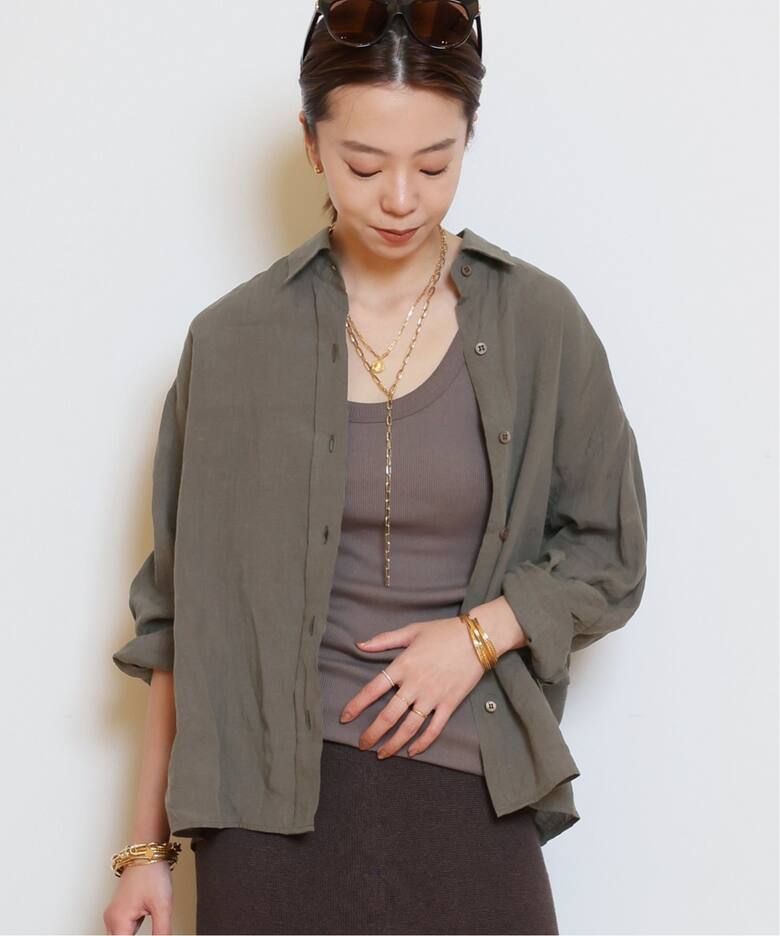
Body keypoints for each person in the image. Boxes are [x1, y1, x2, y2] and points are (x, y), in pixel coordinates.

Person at [104, 2, 648, 934]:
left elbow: (610, 551)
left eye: (435, 164)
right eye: (365, 165)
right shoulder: (231, 343)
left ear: (469, 136)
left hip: (469, 786)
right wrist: (144, 853)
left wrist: (478, 636)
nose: (401, 198)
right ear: (311, 143)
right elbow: (178, 620)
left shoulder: (538, 325)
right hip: (263, 811)